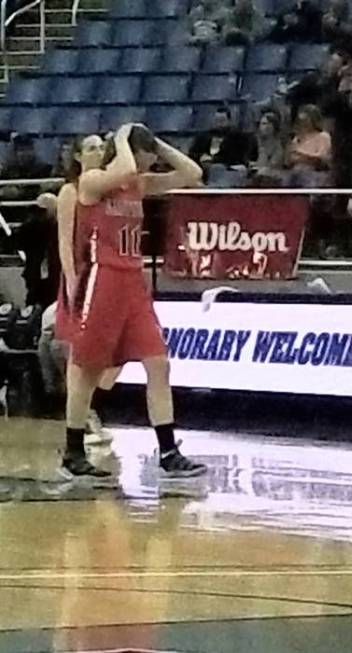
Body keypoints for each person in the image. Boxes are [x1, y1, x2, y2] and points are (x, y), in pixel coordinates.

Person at [58, 124, 207, 482]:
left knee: (158, 362)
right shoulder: (93, 181)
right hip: (103, 278)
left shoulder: (137, 183)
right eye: (146, 157)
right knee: (87, 369)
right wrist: (123, 136)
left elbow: (192, 174)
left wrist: (158, 144)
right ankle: (73, 451)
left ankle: (169, 451)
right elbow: (122, 170)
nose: (148, 165)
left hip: (133, 283)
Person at [54, 135, 127, 446]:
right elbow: (65, 242)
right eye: (91, 148)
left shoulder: (108, 188)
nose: (98, 152)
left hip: (109, 276)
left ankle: (88, 407)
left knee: (117, 353)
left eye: (101, 147)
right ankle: (81, 421)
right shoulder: (70, 191)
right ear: (78, 156)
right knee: (78, 353)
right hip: (83, 277)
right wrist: (71, 281)